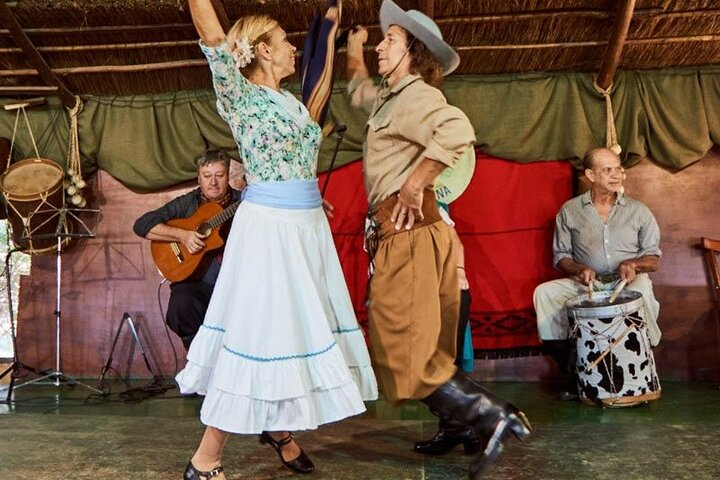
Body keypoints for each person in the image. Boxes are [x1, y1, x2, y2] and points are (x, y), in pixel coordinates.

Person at [177, 2, 377, 479]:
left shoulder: (291, 102)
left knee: (290, 334)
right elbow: (211, 36)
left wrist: (307, 196)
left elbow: (294, 164)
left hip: (304, 227)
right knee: (259, 334)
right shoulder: (239, 95)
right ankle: (205, 460)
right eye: (286, 41)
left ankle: (280, 432)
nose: (293, 48)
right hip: (268, 233)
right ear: (263, 50)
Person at [345, 1, 530, 478]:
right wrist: (352, 49)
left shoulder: (417, 96)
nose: (382, 46)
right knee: (412, 349)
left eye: (390, 39)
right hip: (403, 237)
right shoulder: (390, 98)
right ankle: (470, 420)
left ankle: (488, 414)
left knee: (402, 347)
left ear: (414, 52)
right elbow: (358, 91)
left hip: (411, 232)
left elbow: (457, 129)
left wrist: (414, 183)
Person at [533, 147, 662, 398]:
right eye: (608, 170)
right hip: (586, 283)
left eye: (618, 169)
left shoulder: (638, 211)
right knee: (544, 294)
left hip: (626, 283)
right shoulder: (570, 211)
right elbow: (561, 257)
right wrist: (580, 269)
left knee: (643, 292)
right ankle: (571, 369)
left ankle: (643, 363)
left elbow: (653, 258)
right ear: (590, 175)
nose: (616, 175)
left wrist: (634, 265)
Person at [133, 148, 241, 350]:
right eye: (207, 176)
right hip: (196, 282)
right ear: (198, 177)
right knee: (181, 305)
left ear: (228, 175)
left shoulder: (242, 203)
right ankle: (199, 361)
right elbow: (142, 224)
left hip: (234, 282)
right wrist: (183, 235)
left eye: (219, 175)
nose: (213, 182)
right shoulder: (187, 203)